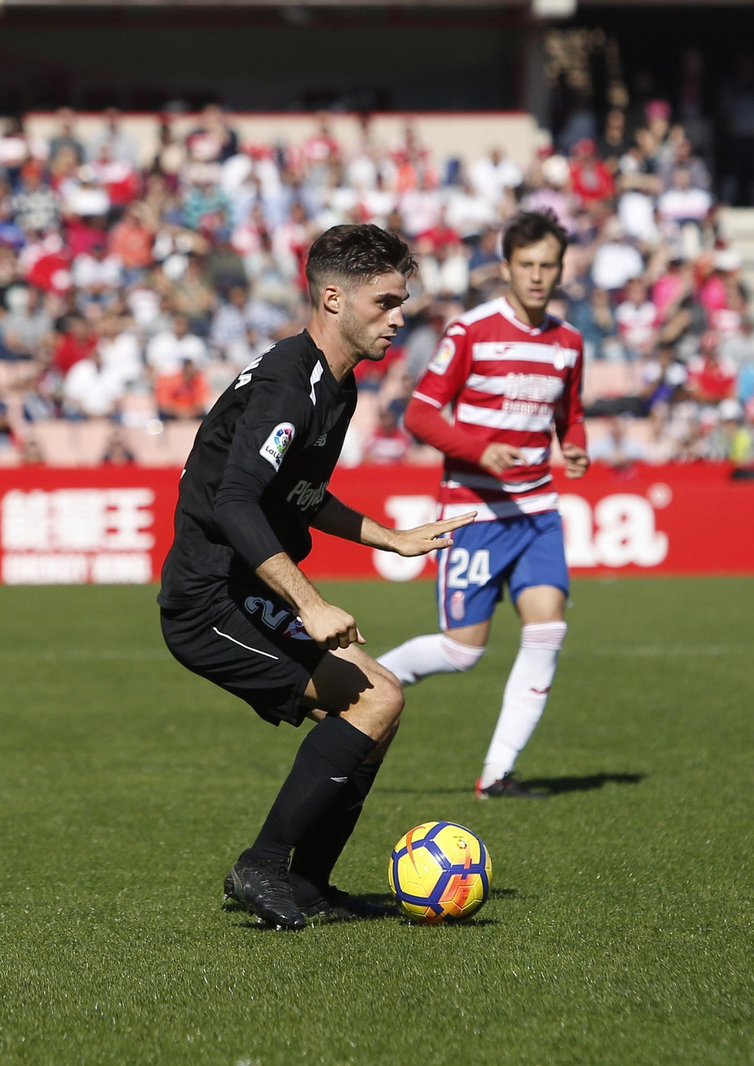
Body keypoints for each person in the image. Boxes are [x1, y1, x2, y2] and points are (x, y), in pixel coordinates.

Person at [157, 225, 474, 930]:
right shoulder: (284, 385)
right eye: (387, 300)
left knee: (380, 703)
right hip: (208, 601)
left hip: (247, 590)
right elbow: (233, 499)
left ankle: (308, 884)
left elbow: (298, 494)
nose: (400, 316)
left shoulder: (335, 387)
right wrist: (311, 602)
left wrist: (386, 537)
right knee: (376, 699)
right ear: (333, 297)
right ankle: (262, 865)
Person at [378, 211, 590, 799]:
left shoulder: (569, 342)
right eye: (527, 265)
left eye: (549, 265)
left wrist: (574, 448)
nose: (538, 276)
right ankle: (366, 679)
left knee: (547, 630)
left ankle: (497, 774)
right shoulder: (472, 331)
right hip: (475, 511)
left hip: (537, 511)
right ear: (506, 268)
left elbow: (569, 414)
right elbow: (420, 412)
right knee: (460, 651)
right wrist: (479, 450)